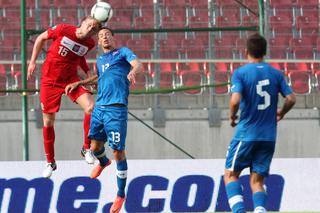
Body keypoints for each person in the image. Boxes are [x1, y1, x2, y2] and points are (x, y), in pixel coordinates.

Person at [65, 27, 143, 213]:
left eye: (107, 34)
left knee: (118, 152)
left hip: (116, 110)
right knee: (95, 148)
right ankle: (103, 163)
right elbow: (100, 78)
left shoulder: (122, 52)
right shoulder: (100, 60)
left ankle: (120, 194)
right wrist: (79, 83)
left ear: (113, 38)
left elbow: (137, 64)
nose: (104, 37)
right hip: (100, 108)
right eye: (100, 36)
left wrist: (133, 71)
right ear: (99, 42)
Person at [224, 33, 296, 213]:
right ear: (265, 52)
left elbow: (235, 100)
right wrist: (282, 112)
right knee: (257, 181)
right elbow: (291, 98)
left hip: (246, 134)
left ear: (246, 51)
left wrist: (232, 117)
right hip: (268, 136)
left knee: (231, 175)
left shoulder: (240, 73)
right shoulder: (276, 74)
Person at [27, 16, 101, 178]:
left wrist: (87, 73)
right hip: (50, 81)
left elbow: (79, 55)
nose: (90, 30)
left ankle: (86, 148)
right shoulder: (62, 29)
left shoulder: (90, 43)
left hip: (70, 80)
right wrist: (32, 61)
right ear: (82, 23)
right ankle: (50, 162)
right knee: (48, 121)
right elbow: (41, 38)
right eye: (89, 25)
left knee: (91, 107)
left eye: (94, 29)